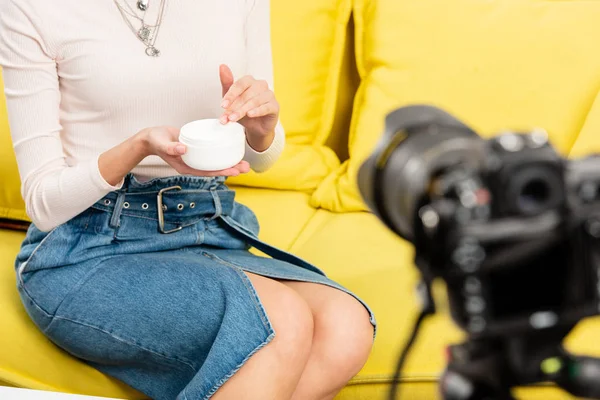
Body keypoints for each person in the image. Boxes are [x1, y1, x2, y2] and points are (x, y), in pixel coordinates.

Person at [0, 1, 376, 399]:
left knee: (346, 326)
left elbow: (257, 153)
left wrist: (261, 130)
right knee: (276, 320)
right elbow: (42, 203)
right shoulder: (29, 8)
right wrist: (138, 147)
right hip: (86, 246)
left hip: (204, 226)